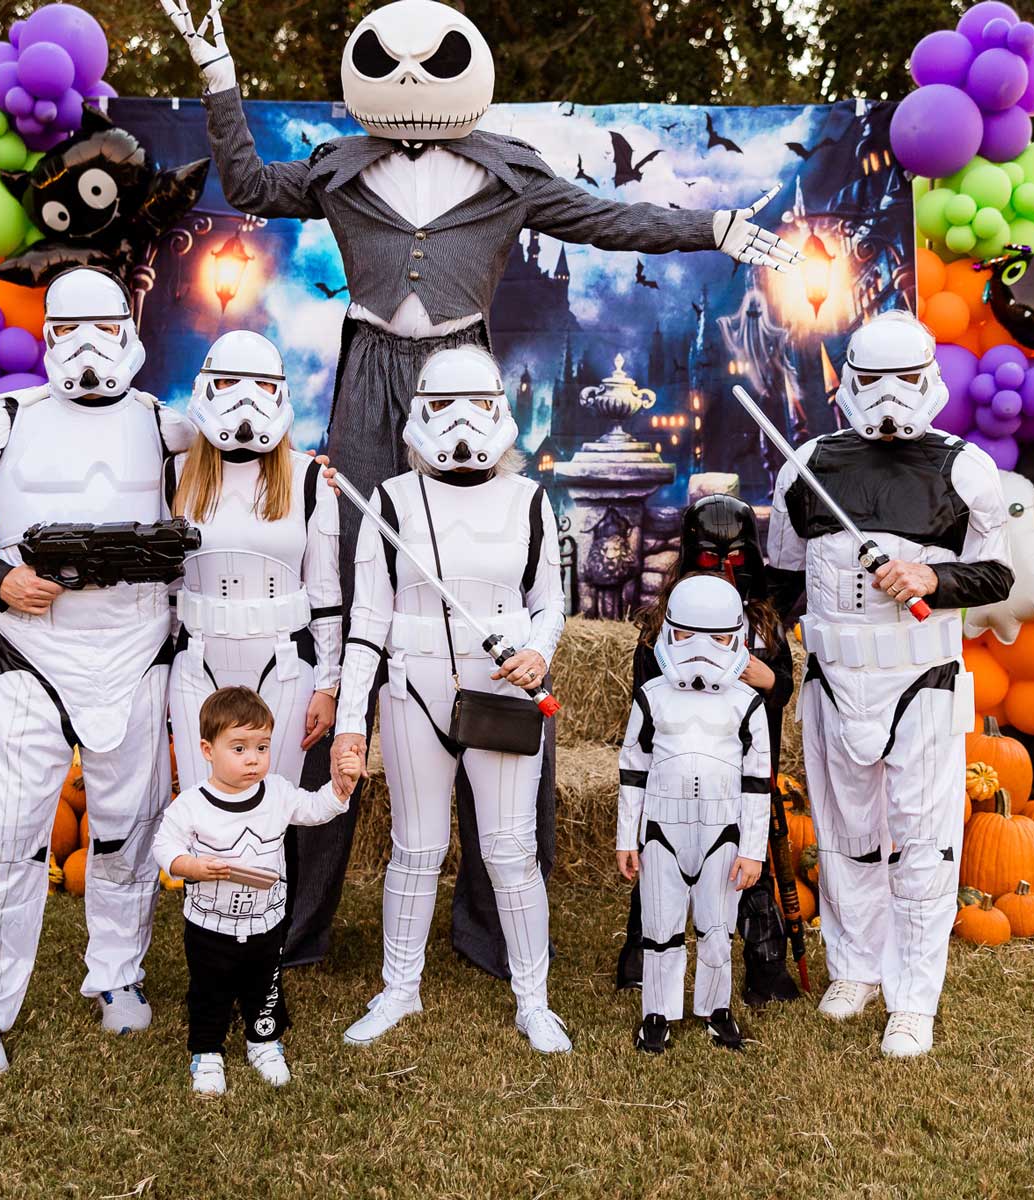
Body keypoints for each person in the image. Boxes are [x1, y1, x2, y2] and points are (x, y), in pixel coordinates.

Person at [160, 0, 804, 977]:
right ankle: (293, 921)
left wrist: (712, 223)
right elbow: (247, 179)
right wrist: (217, 74)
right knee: (346, 621)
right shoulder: (340, 165)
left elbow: (613, 217)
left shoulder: (508, 169)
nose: (413, 80)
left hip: (459, 378)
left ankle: (494, 924)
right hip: (369, 379)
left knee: (488, 599)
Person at [0, 266, 194, 1074]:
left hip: (136, 645)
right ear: (48, 335)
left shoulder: (166, 426)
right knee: (7, 833)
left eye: (104, 329)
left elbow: (229, 499)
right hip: (31, 650)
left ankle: (116, 973)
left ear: (129, 331)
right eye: (69, 329)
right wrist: (0, 579)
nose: (87, 348)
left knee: (128, 827)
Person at [767, 311, 1012, 1058]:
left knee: (923, 843)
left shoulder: (964, 466)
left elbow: (998, 574)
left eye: (903, 382)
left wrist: (933, 577)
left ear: (928, 378)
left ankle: (913, 997)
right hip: (835, 680)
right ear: (850, 379)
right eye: (872, 382)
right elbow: (783, 576)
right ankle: (855, 969)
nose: (887, 398)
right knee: (844, 839)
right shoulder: (806, 463)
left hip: (921, 681)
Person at [329, 345, 570, 1052]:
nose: (462, 424)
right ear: (419, 416)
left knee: (510, 848)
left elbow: (549, 603)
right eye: (444, 407)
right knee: (417, 847)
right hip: (413, 691)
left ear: (501, 411)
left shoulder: (528, 499)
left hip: (503, 691)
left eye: (477, 406)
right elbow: (366, 621)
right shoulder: (392, 500)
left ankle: (535, 998)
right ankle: (399, 989)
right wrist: (350, 724)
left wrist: (540, 653)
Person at [616, 494, 799, 1006]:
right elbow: (645, 700)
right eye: (710, 559)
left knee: (750, 863)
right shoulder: (660, 627)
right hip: (676, 768)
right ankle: (641, 957)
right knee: (660, 865)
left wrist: (766, 679)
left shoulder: (764, 625)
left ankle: (765, 967)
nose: (722, 571)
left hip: (740, 762)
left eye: (734, 560)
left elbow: (783, 691)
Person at [154, 686, 361, 1095]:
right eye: (239, 748)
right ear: (207, 750)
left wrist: (340, 789)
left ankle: (263, 1040)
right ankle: (207, 1051)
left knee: (264, 984)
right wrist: (191, 866)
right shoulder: (194, 804)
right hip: (210, 925)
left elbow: (315, 809)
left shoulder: (278, 793)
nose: (253, 759)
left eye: (262, 747)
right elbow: (164, 845)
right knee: (209, 988)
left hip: (266, 921)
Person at [168, 329, 341, 797]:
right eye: (228, 383)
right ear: (206, 387)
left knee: (271, 814)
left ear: (280, 392)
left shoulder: (308, 480)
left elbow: (326, 596)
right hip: (196, 660)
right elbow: (161, 586)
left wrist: (327, 685)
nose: (245, 399)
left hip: (283, 663)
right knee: (200, 809)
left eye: (262, 386)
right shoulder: (174, 473)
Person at [616, 574, 771, 1052]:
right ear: (668, 632)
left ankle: (716, 1010)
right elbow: (632, 768)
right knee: (660, 930)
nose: (701, 652)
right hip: (662, 832)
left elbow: (757, 782)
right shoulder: (652, 696)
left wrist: (752, 849)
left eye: (718, 640)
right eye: (686, 637)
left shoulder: (747, 703)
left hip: (722, 834)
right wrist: (627, 837)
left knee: (717, 929)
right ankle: (657, 1014)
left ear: (737, 638)